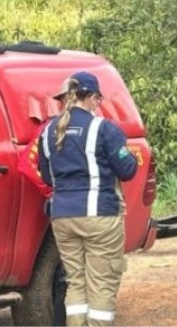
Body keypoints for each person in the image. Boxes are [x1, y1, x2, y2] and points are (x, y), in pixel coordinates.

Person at [38, 71, 137, 326]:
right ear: (92, 98)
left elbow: (48, 178)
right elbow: (127, 170)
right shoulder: (102, 129)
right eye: (98, 100)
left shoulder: (48, 132)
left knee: (76, 282)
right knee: (102, 284)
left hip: (62, 218)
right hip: (99, 217)